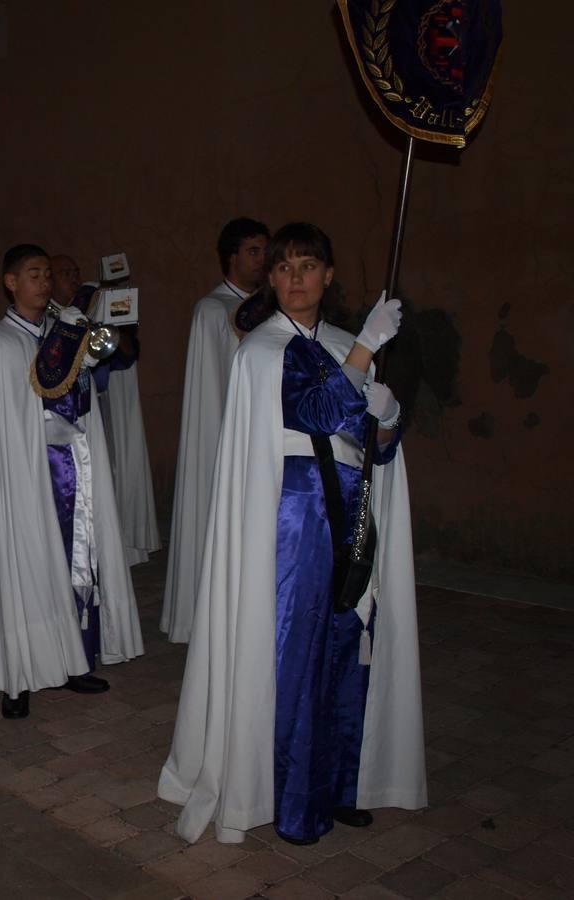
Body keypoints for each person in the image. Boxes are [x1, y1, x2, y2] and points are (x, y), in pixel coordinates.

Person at [158, 222, 426, 845]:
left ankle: (341, 782)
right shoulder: (262, 350)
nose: (295, 278)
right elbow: (314, 412)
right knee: (296, 651)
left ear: (328, 275)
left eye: (308, 266)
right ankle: (292, 794)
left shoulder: (340, 341)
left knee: (349, 641)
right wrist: (365, 349)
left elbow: (368, 442)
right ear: (269, 279)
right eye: (283, 268)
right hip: (294, 515)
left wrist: (386, 423)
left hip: (352, 508)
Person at [0, 245, 143, 720]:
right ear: (11, 282)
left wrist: (83, 368)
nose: (45, 282)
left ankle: (74, 659)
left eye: (48, 274)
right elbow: (8, 422)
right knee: (27, 562)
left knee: (76, 558)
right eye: (34, 274)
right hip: (27, 471)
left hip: (70, 462)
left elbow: (78, 400)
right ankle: (21, 673)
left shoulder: (65, 331)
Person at [160, 217, 270, 642]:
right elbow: (214, 385)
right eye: (253, 251)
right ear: (231, 257)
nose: (262, 260)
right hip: (224, 433)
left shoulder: (271, 308)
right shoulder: (212, 309)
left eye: (265, 251)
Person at [52, 254, 160, 566]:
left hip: (96, 408)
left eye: (75, 271)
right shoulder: (48, 319)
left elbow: (125, 356)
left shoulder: (92, 310)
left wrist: (119, 323)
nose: (72, 277)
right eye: (63, 272)